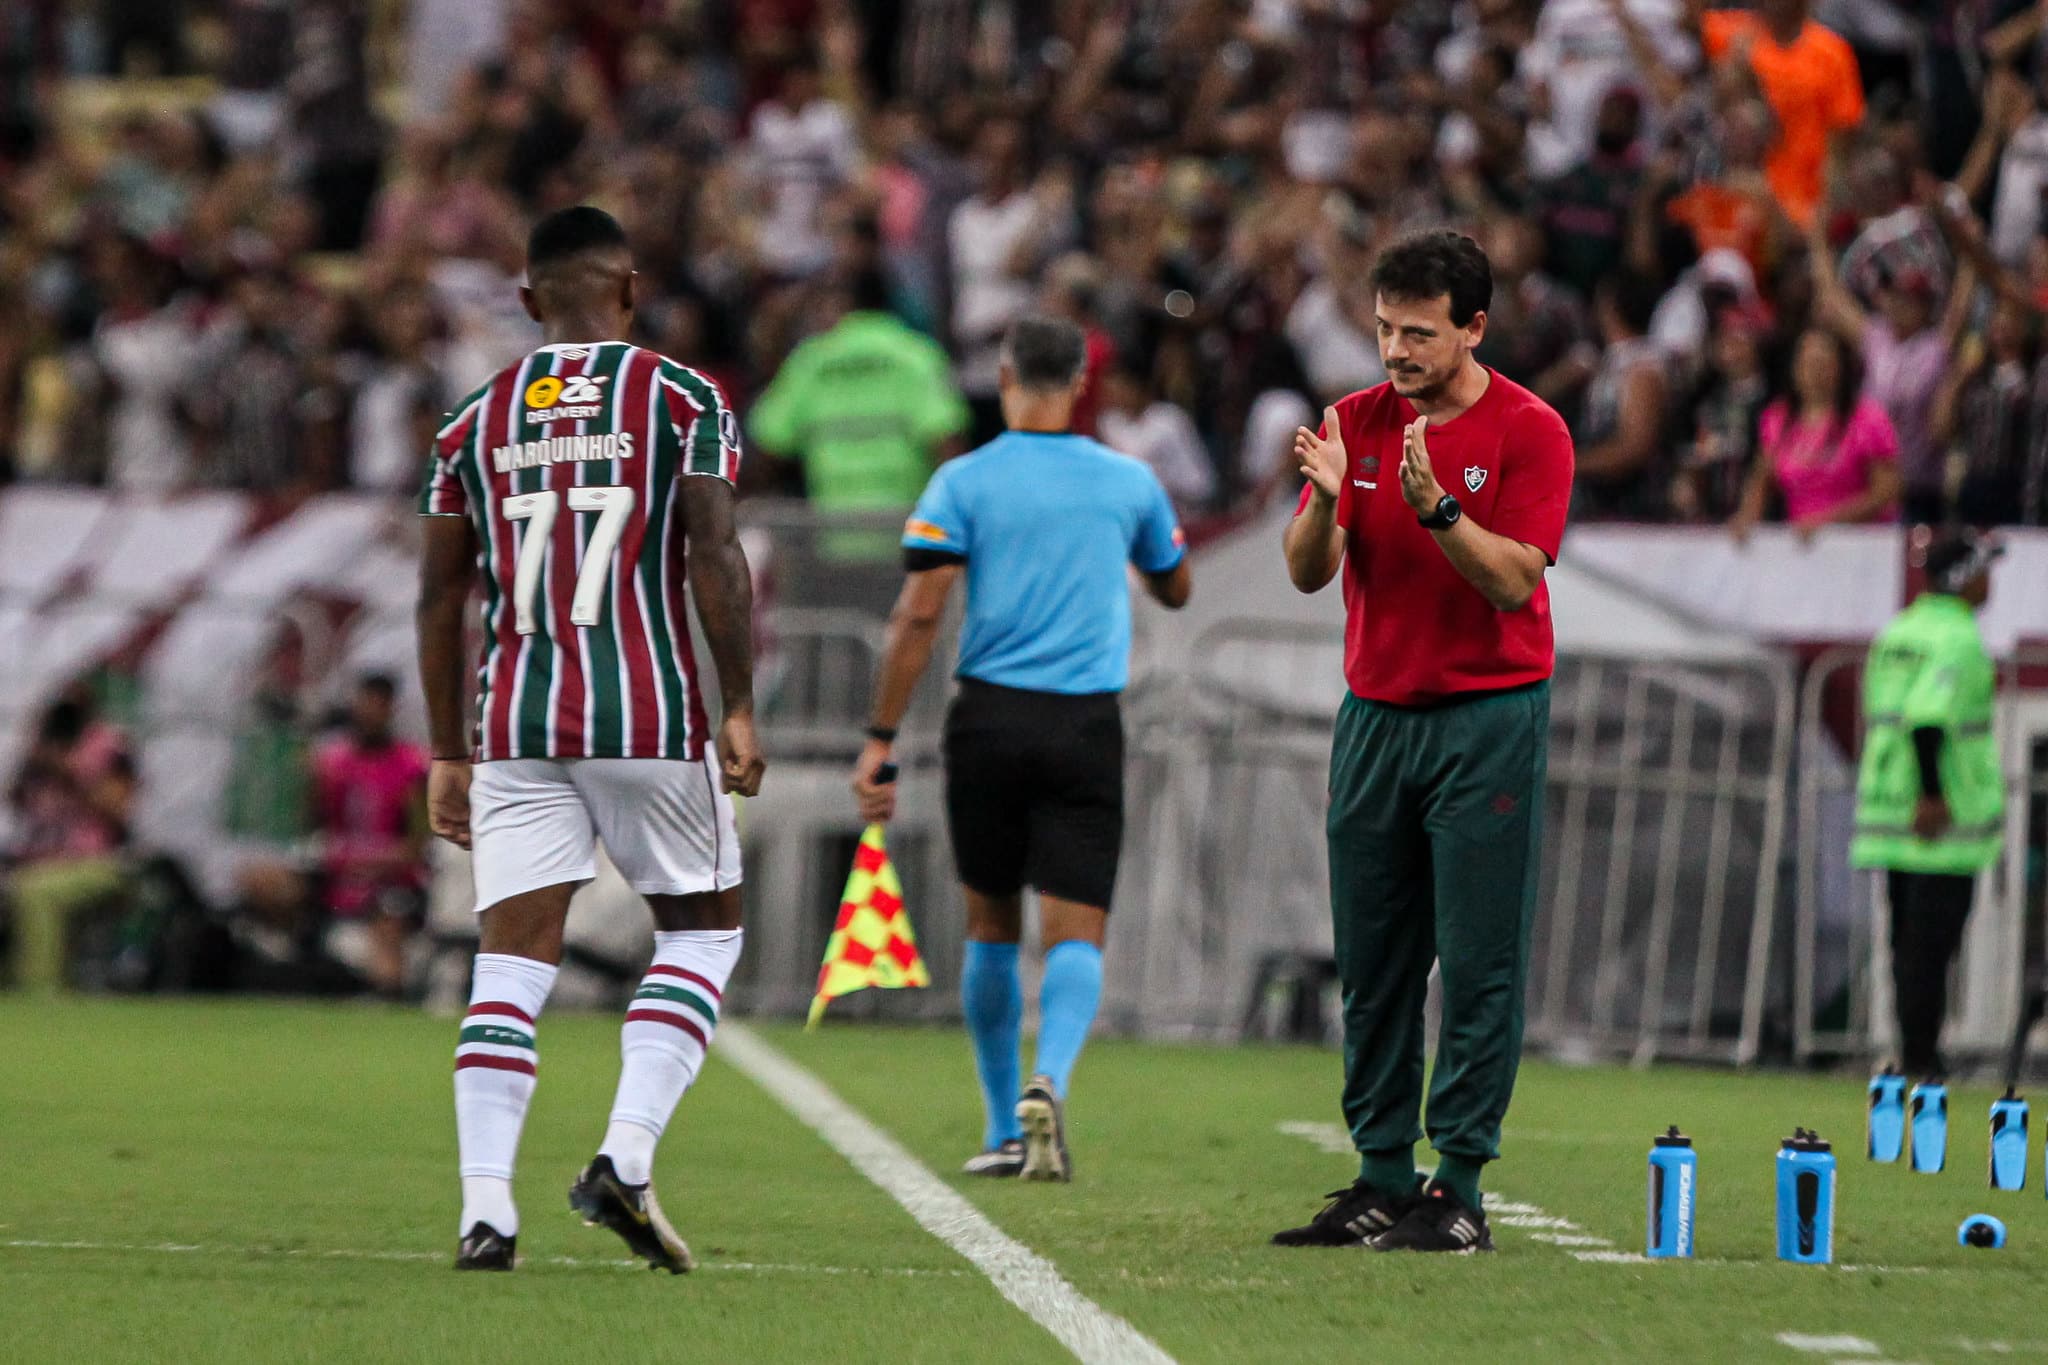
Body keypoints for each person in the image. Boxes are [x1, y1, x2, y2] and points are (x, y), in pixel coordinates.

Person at [416, 206, 764, 1274]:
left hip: (514, 720)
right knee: (702, 932)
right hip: (647, 714)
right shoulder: (681, 398)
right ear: (629, 287)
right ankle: (624, 1152)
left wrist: (445, 750)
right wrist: (737, 700)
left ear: (526, 301)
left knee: (509, 962)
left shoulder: (469, 423)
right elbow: (714, 553)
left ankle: (486, 1212)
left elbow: (437, 597)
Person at [1275, 230, 1573, 1254]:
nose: (1395, 351)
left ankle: (1458, 1187)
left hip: (1484, 719)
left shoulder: (1531, 432)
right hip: (1374, 716)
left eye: (1417, 332)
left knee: (1476, 958)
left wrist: (1437, 510)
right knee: (1372, 958)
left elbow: (1510, 581)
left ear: (1473, 327)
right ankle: (1376, 1176)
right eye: (1384, 329)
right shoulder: (1351, 422)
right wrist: (1322, 501)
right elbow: (1307, 572)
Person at [848, 316, 1191, 1183]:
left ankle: (1005, 1126)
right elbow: (1176, 584)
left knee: (992, 922)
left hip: (989, 720)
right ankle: (1054, 1080)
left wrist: (880, 738)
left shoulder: (962, 480)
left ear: (1003, 376)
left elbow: (919, 613)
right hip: (1084, 722)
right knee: (1076, 926)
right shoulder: (1128, 479)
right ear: (1083, 384)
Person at [1850, 532, 2005, 1078]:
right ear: (1962, 578)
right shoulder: (1957, 639)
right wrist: (1935, 795)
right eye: (1984, 569)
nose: (1991, 580)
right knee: (1932, 949)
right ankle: (1921, 1058)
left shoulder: (1899, 631)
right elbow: (1928, 717)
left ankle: (1911, 1050)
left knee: (1904, 945)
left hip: (1890, 812)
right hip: (1935, 822)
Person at [747, 267, 969, 516]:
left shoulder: (811, 360)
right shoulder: (917, 355)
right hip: (907, 526)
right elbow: (947, 443)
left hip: (829, 531)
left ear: (842, 303)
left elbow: (769, 444)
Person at [3, 686, 136, 992]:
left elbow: (119, 810)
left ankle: (40, 994)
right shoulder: (41, 742)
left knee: (35, 892)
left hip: (99, 863)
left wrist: (68, 770)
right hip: (36, 857)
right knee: (26, 884)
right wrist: (31, 758)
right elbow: (17, 802)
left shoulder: (110, 746)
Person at [309, 675, 430, 997]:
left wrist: (369, 862)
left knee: (387, 918)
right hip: (337, 876)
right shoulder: (332, 762)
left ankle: (387, 994)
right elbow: (313, 825)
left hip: (392, 882)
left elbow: (419, 844)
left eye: (377, 704)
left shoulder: (410, 766)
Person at [1700, 0, 1865, 228]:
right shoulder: (1740, 39)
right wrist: (1736, 66)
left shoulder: (1831, 51)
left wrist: (1827, 202)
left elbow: (1842, 140)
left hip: (1812, 192)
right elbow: (1688, 21)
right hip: (1754, 189)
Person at [1730, 326, 1903, 540]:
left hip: (1862, 543)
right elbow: (1761, 479)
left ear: (1840, 368)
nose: (1814, 372)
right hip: (1803, 543)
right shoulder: (1778, 419)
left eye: (1822, 364)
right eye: (1807, 364)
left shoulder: (1869, 418)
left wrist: (1828, 523)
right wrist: (1747, 516)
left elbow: (1886, 492)